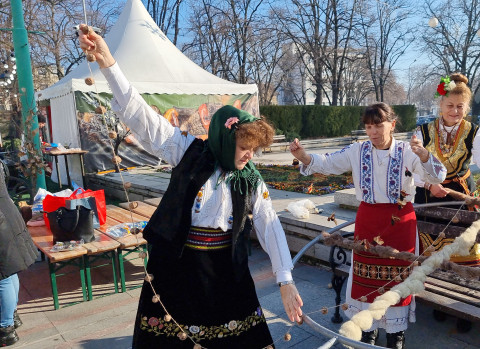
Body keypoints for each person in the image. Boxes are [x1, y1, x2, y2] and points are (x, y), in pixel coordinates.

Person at [79, 26, 303, 349]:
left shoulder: (250, 178)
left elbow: (270, 223)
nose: (249, 155)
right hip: (178, 268)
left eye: (254, 148)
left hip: (226, 272)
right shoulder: (188, 151)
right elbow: (144, 118)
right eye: (244, 146)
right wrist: (109, 64)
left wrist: (285, 281)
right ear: (225, 140)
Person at [289, 102, 447, 349]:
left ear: (392, 125)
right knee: (366, 279)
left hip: (400, 226)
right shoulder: (357, 150)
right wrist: (304, 157)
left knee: (397, 282)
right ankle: (368, 329)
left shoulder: (408, 151)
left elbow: (438, 176)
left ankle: (396, 334)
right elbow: (328, 163)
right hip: (368, 224)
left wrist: (425, 155)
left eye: (379, 125)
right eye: (369, 126)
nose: (373, 131)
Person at [413, 73, 480, 332]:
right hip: (429, 197)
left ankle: (465, 306)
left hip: (460, 197)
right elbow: (410, 166)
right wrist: (427, 184)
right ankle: (438, 301)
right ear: (440, 106)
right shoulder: (422, 131)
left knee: (463, 252)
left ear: (466, 107)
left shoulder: (474, 131)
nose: (455, 111)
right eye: (450, 106)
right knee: (434, 253)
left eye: (460, 106)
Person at [0, 159, 39, 347]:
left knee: (3, 275)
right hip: (7, 213)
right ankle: (11, 316)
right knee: (10, 270)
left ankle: (5, 327)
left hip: (1, 222)